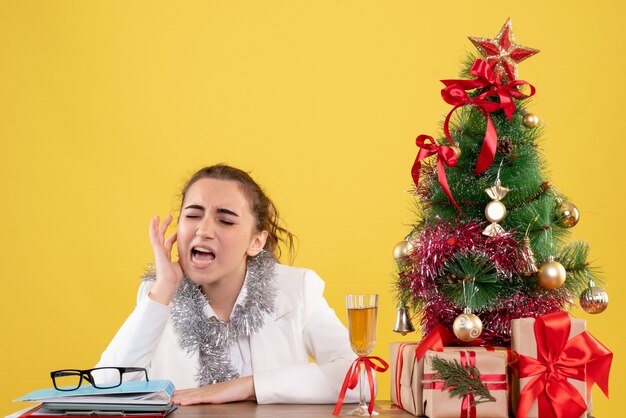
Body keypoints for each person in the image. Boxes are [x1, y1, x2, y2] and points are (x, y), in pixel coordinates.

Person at [96, 164, 360, 405]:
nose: (204, 230)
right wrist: (164, 287)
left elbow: (361, 378)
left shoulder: (297, 289)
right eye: (192, 215)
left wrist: (250, 386)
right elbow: (103, 389)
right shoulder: (158, 297)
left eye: (225, 220)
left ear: (256, 242)